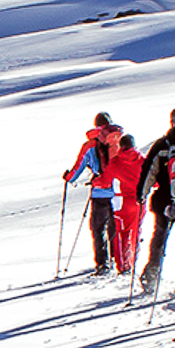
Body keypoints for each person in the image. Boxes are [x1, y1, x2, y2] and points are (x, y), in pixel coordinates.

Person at [138, 107, 175, 293]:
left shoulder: (162, 144)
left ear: (172, 122)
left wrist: (141, 194)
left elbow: (149, 171)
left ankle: (152, 275)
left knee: (160, 238)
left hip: (164, 201)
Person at [63, 112, 121, 274]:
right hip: (118, 190)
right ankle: (118, 258)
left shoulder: (89, 145)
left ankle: (103, 263)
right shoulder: (118, 140)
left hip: (99, 191)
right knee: (115, 225)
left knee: (98, 227)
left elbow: (78, 168)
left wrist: (68, 178)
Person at [106, 133, 146, 274]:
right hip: (139, 201)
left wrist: (95, 182)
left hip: (122, 200)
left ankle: (123, 264)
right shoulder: (142, 160)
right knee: (136, 231)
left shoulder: (116, 161)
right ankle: (133, 260)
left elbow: (105, 180)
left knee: (121, 232)